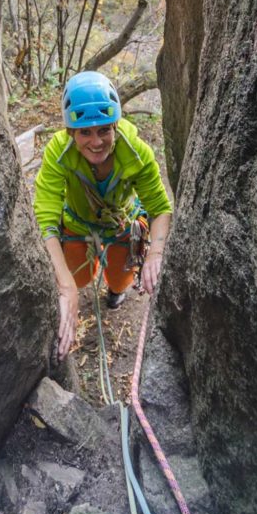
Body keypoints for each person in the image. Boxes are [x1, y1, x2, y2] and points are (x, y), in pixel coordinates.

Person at [34, 71, 172, 361]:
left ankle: (114, 290)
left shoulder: (135, 153)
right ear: (71, 132)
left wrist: (156, 253)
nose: (96, 142)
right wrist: (65, 286)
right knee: (78, 277)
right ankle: (86, 277)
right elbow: (45, 217)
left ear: (116, 126)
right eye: (85, 132)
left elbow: (159, 208)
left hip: (121, 225)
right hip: (76, 224)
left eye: (104, 130)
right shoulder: (59, 153)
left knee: (120, 281)